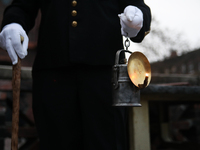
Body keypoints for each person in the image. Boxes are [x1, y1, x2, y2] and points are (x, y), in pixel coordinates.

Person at [0, 0, 151, 149]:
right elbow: (22, 6)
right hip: (53, 76)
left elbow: (139, 6)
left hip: (105, 79)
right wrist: (13, 23)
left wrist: (138, 17)